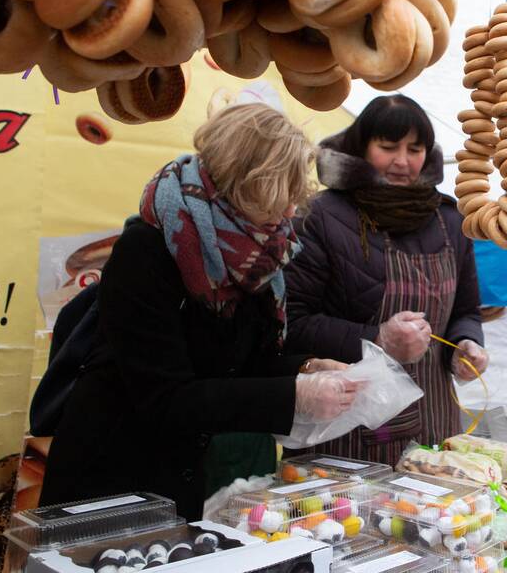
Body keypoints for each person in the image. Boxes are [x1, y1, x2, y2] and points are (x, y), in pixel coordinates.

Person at [40, 104, 359, 519]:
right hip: (108, 481)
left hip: (179, 482)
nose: (288, 214)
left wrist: (308, 369)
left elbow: (245, 364)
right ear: (242, 183)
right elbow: (166, 398)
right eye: (279, 193)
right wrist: (292, 395)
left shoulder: (260, 256)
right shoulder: (148, 252)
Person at [284, 94, 488, 465]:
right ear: (361, 147)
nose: (402, 161)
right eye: (388, 146)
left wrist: (467, 343)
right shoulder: (321, 217)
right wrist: (378, 338)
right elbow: (292, 323)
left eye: (415, 148)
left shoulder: (450, 221)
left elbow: (466, 310)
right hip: (346, 434)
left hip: (435, 424)